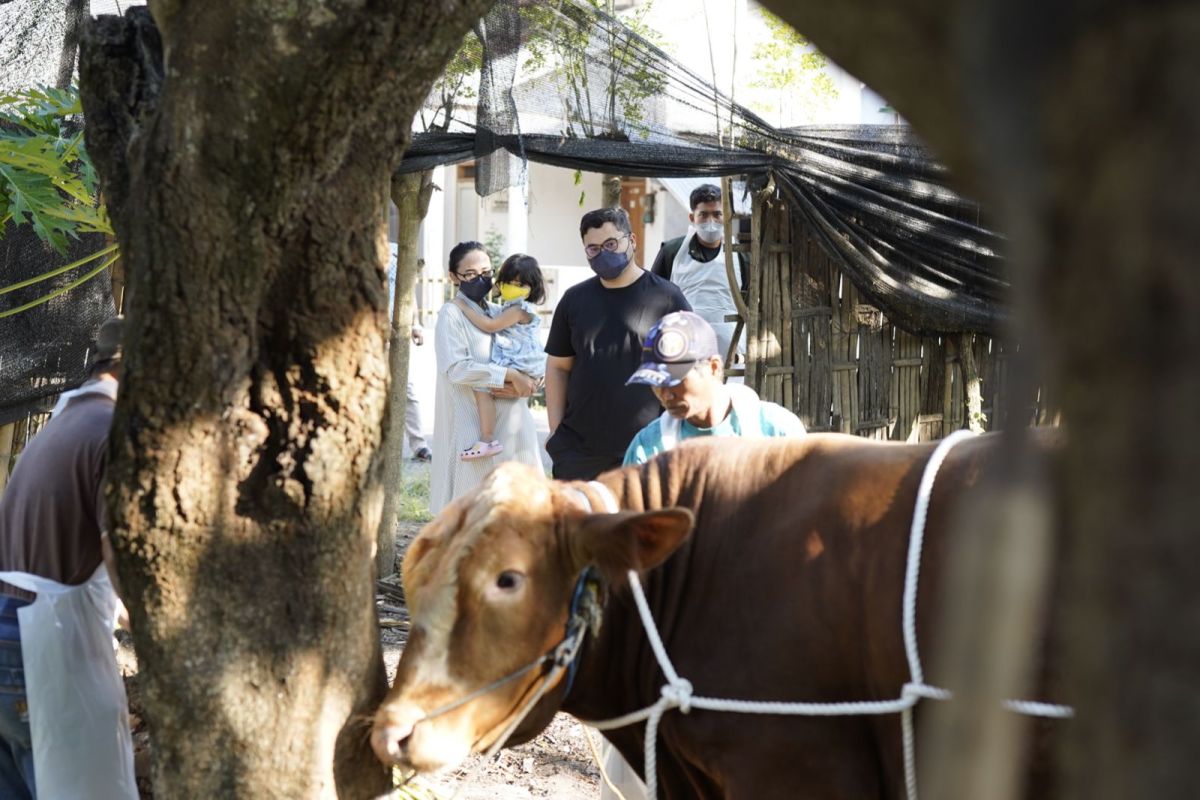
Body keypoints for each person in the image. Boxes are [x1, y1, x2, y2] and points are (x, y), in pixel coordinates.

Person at [0, 316, 137, 800]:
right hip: (43, 648)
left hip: (11, 631)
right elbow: (119, 552)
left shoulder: (65, 422)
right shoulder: (109, 432)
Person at [544, 206, 691, 480]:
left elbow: (686, 369)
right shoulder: (573, 300)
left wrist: (676, 432)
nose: (603, 253)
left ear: (631, 241)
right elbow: (558, 367)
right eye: (594, 248)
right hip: (578, 452)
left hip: (647, 448)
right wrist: (555, 432)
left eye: (611, 243)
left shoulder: (667, 298)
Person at [429, 242, 542, 514]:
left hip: (514, 421)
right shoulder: (451, 314)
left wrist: (529, 383)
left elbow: (529, 350)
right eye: (470, 274)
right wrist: (510, 375)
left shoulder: (497, 311)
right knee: (472, 513)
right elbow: (456, 368)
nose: (481, 279)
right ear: (453, 277)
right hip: (473, 428)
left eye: (486, 272)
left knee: (521, 510)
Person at [624, 311, 806, 465]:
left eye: (675, 379)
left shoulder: (776, 432)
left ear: (714, 367)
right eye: (656, 382)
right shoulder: (647, 449)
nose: (665, 395)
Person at [452, 253, 547, 461]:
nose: (514, 287)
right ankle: (488, 439)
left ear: (532, 287)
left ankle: (486, 439)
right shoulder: (508, 308)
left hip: (519, 362)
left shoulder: (518, 309)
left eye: (520, 284)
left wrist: (463, 307)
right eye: (509, 282)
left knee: (482, 386)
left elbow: (490, 325)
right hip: (521, 361)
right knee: (488, 388)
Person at [650, 183, 749, 361]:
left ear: (726, 216)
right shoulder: (672, 252)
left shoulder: (740, 255)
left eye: (717, 214)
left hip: (731, 354)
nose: (711, 221)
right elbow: (653, 296)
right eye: (703, 214)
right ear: (692, 217)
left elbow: (753, 302)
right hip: (683, 349)